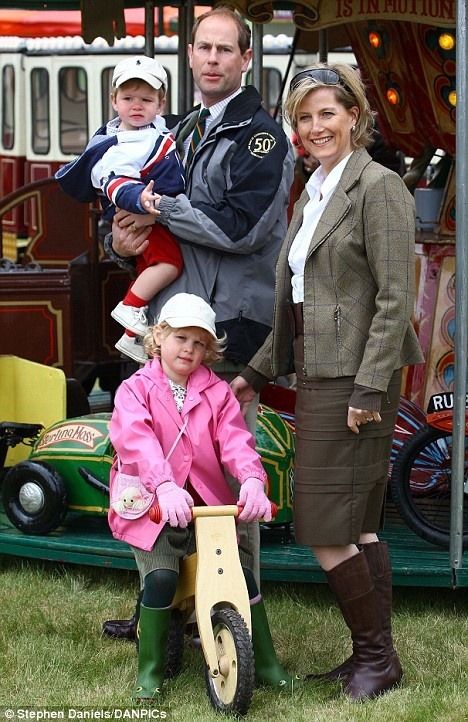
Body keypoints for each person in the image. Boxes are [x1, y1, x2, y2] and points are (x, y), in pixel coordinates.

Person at [231, 63, 424, 701]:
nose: (315, 127)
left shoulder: (380, 186)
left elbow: (398, 299)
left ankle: (378, 658)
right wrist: (256, 372)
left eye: (327, 114)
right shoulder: (315, 190)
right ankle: (374, 657)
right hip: (320, 370)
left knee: (322, 527)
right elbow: (300, 300)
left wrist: (369, 389)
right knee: (359, 524)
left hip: (354, 377)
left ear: (355, 116)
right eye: (304, 117)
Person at [102, 6, 294, 640]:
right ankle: (162, 606)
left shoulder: (263, 138)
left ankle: (232, 611)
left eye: (225, 50)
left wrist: (158, 208)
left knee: (225, 474)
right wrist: (123, 237)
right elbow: (134, 210)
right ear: (189, 55)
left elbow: (240, 230)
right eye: (203, 48)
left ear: (245, 59)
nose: (213, 59)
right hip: (173, 325)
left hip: (229, 328)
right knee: (152, 460)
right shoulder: (175, 129)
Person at [108, 292, 296, 702]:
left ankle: (265, 662)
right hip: (153, 505)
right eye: (180, 338)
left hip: (207, 508)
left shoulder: (217, 392)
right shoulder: (134, 389)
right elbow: (135, 441)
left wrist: (250, 480)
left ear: (209, 350)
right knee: (161, 578)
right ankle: (150, 671)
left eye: (198, 343)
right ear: (159, 337)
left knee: (240, 576)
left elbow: (235, 440)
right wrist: (164, 484)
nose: (188, 350)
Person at [55, 56, 185, 363]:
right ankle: (129, 307)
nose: (137, 105)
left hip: (151, 215)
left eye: (146, 99)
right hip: (144, 215)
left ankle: (130, 336)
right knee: (168, 265)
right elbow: (115, 182)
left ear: (160, 104)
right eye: (128, 98)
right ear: (114, 101)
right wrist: (141, 200)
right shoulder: (119, 146)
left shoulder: (155, 130)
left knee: (151, 269)